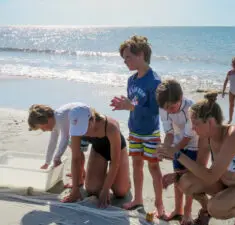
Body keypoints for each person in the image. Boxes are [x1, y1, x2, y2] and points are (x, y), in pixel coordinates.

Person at [157, 92, 235, 225]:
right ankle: (205, 210)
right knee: (185, 182)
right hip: (224, 185)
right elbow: (200, 170)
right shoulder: (206, 137)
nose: (193, 129)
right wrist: (177, 176)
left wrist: (178, 154)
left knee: (215, 207)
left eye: (195, 124)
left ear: (211, 122)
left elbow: (210, 177)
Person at [28, 103, 130, 206]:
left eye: (84, 130)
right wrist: (75, 190)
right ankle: (104, 175)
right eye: (79, 131)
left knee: (120, 191)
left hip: (117, 150)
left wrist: (105, 189)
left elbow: (115, 162)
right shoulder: (75, 127)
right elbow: (76, 158)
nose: (83, 134)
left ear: (91, 120)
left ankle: (120, 178)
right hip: (99, 149)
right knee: (92, 189)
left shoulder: (111, 128)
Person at [110, 35, 166, 218]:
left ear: (141, 54)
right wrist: (125, 105)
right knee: (136, 165)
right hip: (134, 129)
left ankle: (159, 204)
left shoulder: (155, 81)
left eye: (128, 57)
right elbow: (133, 103)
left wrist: (132, 106)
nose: (125, 62)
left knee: (153, 168)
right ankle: (138, 199)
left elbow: (155, 111)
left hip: (150, 132)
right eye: (124, 58)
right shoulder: (131, 80)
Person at [156, 79, 206, 225]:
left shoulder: (192, 108)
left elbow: (187, 136)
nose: (169, 111)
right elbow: (169, 133)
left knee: (187, 181)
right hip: (177, 141)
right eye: (166, 109)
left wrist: (172, 151)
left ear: (181, 97)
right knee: (178, 178)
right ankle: (178, 210)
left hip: (194, 144)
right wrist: (164, 149)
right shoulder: (163, 108)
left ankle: (188, 213)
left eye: (172, 107)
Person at [28, 103, 87, 188]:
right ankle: (81, 173)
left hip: (84, 122)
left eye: (41, 128)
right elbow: (52, 142)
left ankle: (79, 180)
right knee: (73, 147)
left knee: (76, 149)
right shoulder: (54, 122)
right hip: (76, 123)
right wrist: (47, 162)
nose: (43, 131)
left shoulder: (60, 118)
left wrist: (57, 157)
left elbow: (65, 138)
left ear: (46, 119)